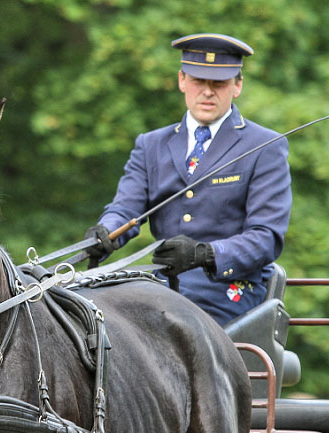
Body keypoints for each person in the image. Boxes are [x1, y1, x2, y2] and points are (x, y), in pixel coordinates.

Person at [84, 33, 292, 326]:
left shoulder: (264, 147)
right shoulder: (151, 144)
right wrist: (106, 232)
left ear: (237, 85)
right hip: (160, 286)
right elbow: (126, 208)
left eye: (218, 83)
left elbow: (265, 238)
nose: (207, 92)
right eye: (198, 81)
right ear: (182, 80)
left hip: (226, 291)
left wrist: (205, 254)